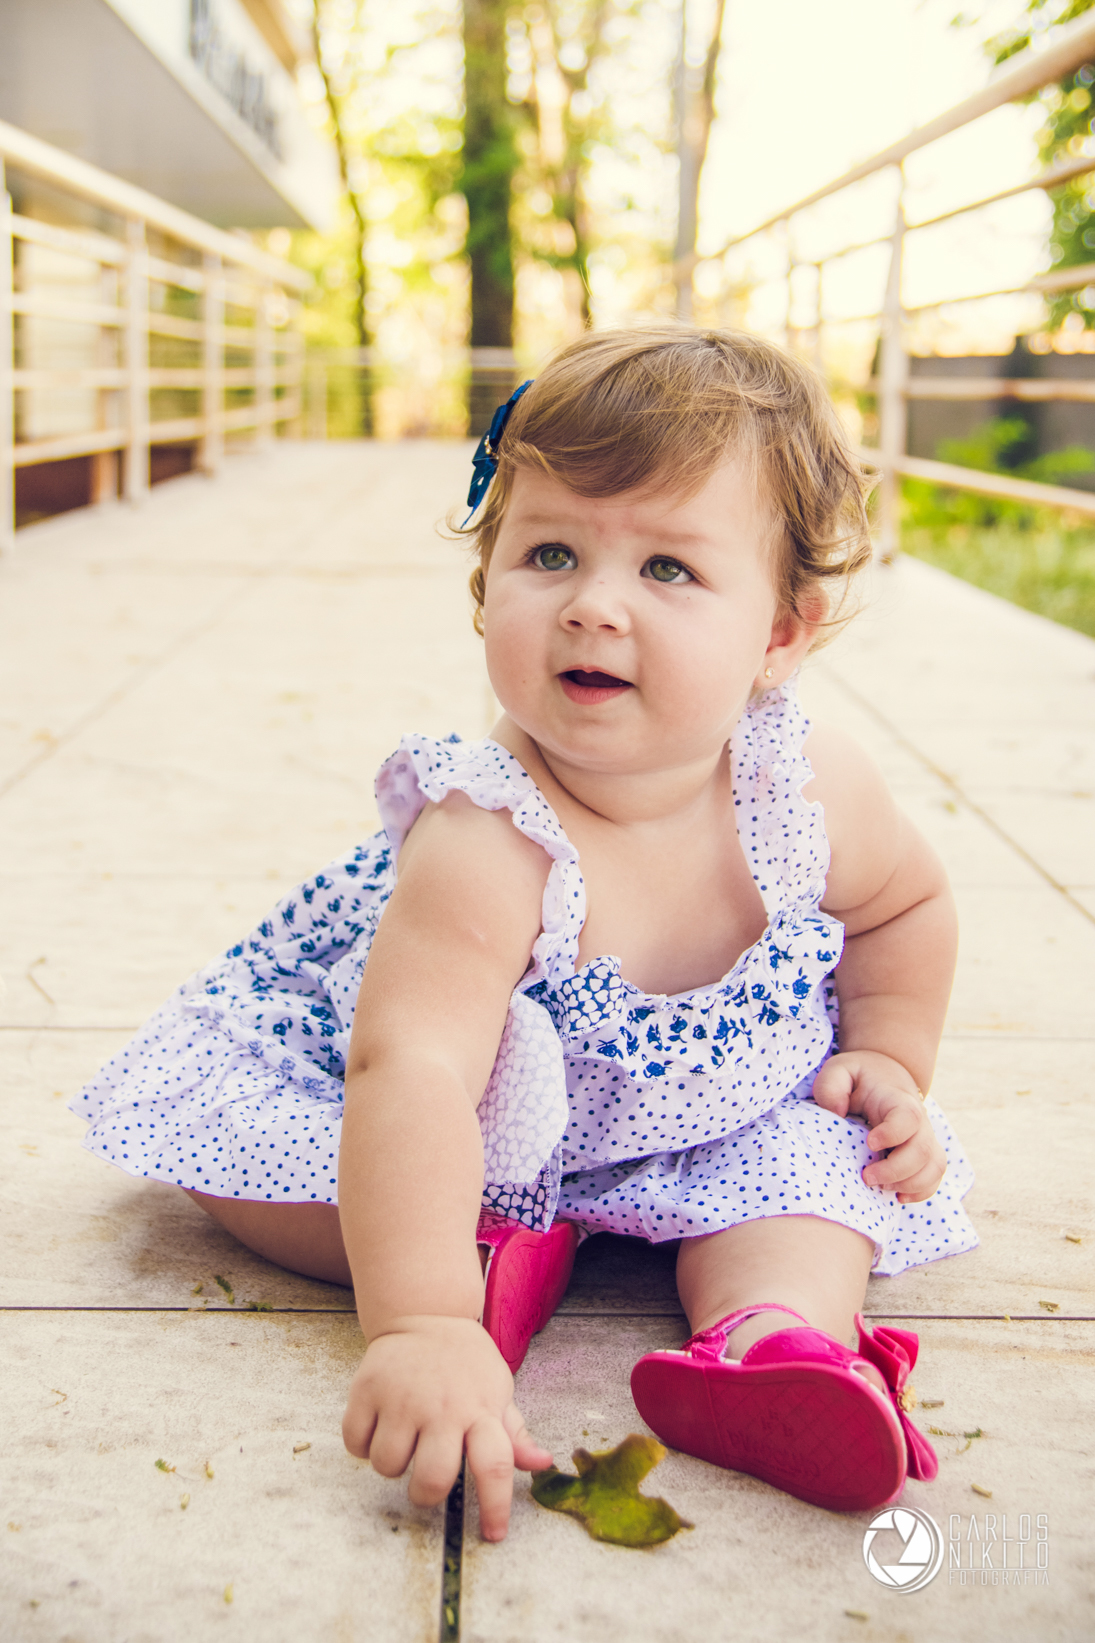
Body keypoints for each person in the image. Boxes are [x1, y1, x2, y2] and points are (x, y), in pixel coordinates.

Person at [71, 327, 977, 1540]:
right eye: (549, 552)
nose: (595, 606)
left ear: (779, 633)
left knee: (823, 1174)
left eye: (668, 569)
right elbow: (418, 1066)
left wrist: (887, 1053)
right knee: (287, 1178)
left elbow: (905, 904)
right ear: (487, 580)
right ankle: (484, 1259)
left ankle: (777, 1342)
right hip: (463, 1109)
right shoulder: (488, 834)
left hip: (709, 1114)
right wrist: (422, 1322)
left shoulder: (806, 788)